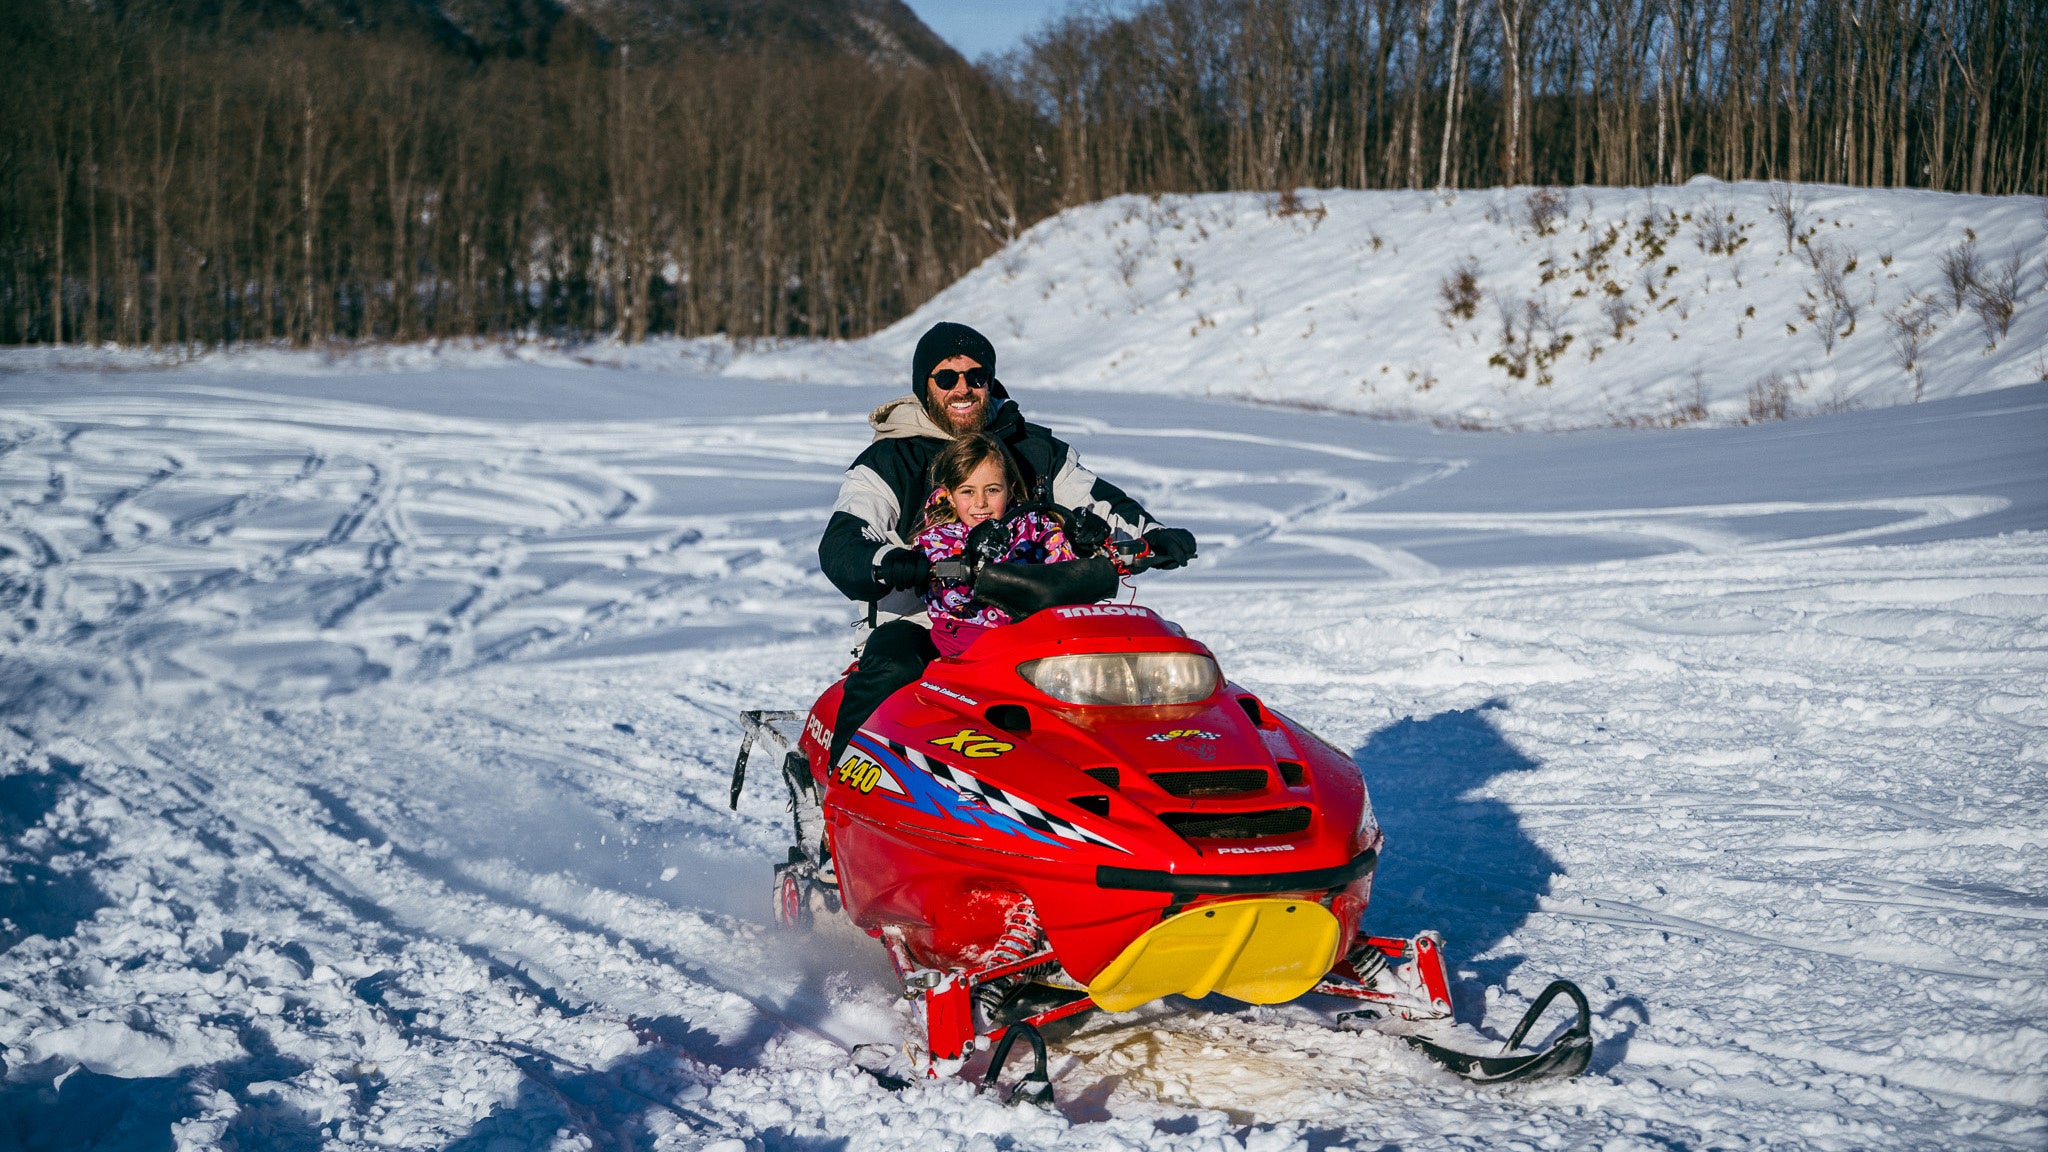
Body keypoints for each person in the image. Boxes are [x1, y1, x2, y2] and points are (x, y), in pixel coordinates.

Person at [818, 321, 1196, 767]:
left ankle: (1143, 780)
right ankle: (836, 789)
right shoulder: (891, 457)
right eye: (946, 378)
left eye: (975, 377)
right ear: (925, 386)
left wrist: (1151, 536)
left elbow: (1099, 501)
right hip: (925, 616)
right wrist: (892, 562)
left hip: (1033, 612)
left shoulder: (1032, 447)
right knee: (894, 667)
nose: (962, 388)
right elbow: (846, 538)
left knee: (1127, 671)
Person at [911, 433, 1076, 657]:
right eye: (968, 492)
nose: (980, 502)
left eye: (992, 490)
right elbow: (945, 590)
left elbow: (1066, 566)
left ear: (1009, 490)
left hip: (1031, 640)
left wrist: (1083, 543)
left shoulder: (1034, 529)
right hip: (966, 648)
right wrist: (971, 560)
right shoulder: (936, 541)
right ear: (950, 496)